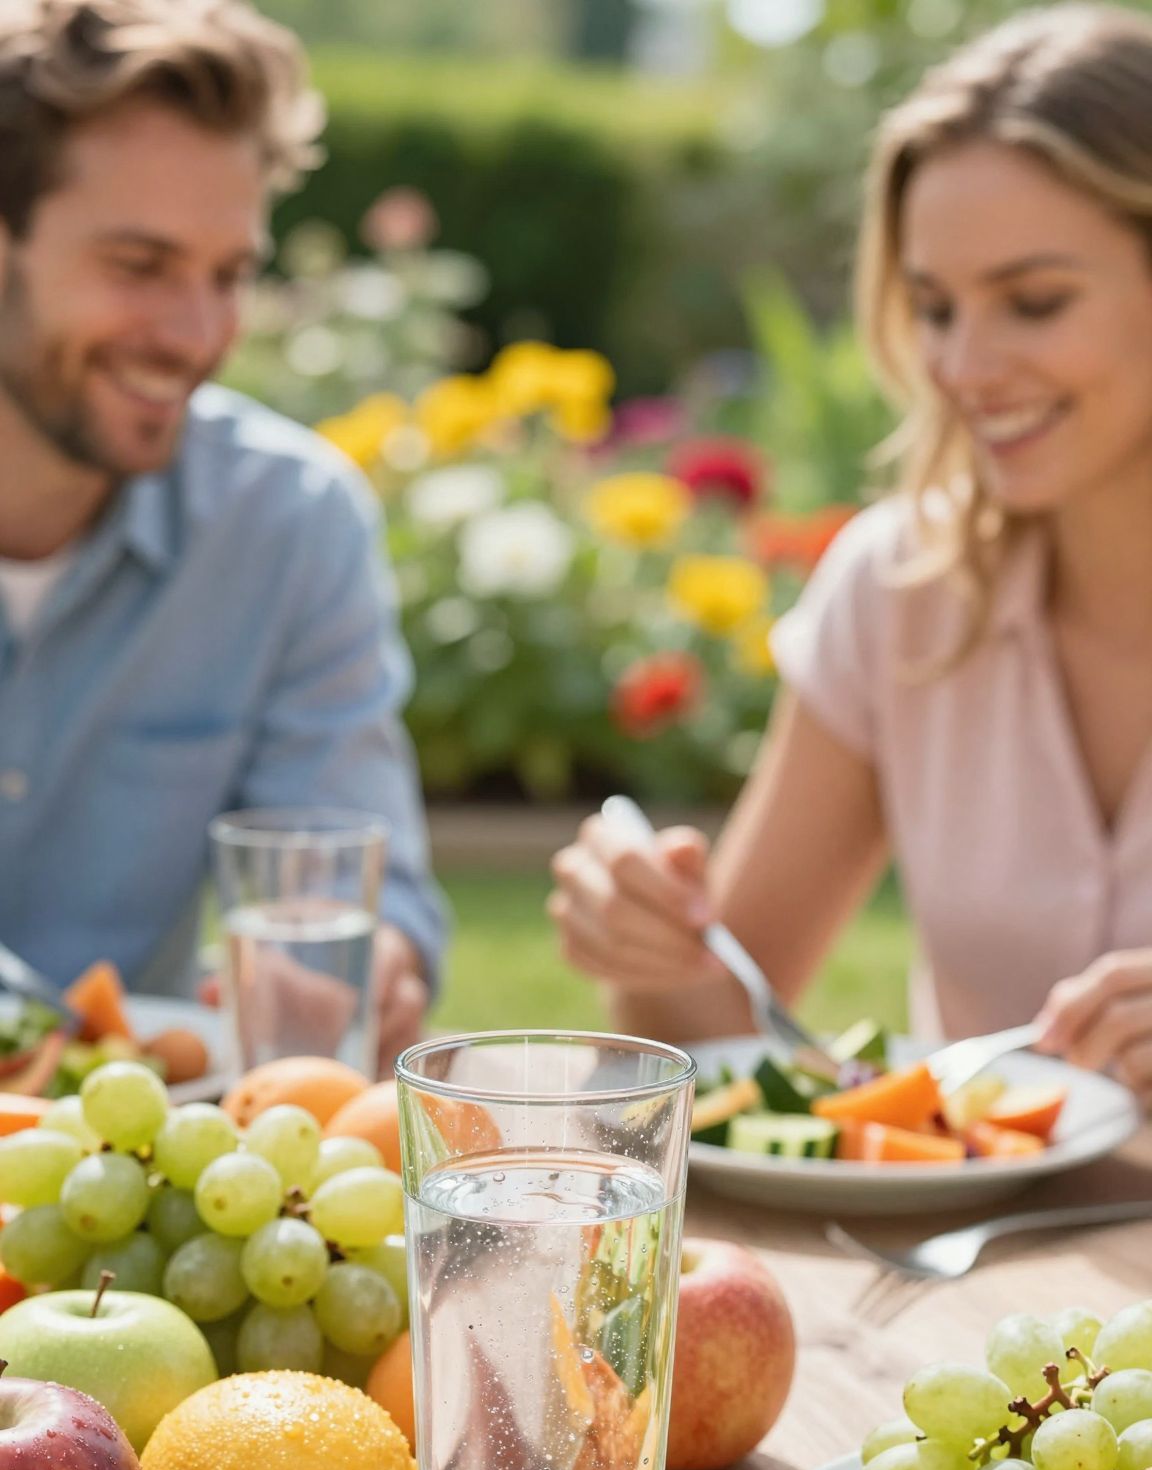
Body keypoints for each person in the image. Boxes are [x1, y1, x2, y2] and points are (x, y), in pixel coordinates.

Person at [550, 4, 1152, 1109]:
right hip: (985, 1227)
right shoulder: (902, 589)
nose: (964, 366)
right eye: (935, 308)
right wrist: (648, 943)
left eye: (1034, 302)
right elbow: (721, 1037)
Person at [0, 0, 446, 1070]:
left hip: (126, 1158)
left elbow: (363, 879)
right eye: (139, 264)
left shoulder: (288, 525)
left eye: (229, 274)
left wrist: (377, 961)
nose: (197, 335)